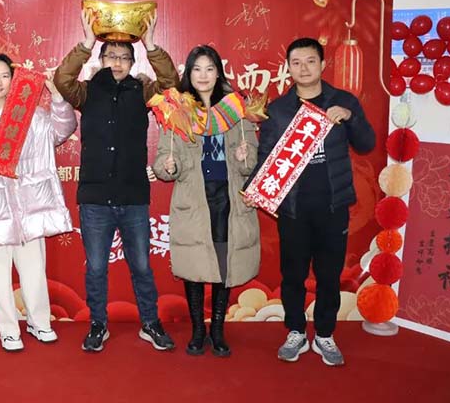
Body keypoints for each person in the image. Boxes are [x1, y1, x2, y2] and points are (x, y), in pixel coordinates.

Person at [53, 9, 179, 352]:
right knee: (95, 268)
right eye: (111, 57)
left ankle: (150, 323)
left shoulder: (143, 91)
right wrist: (86, 42)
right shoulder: (86, 91)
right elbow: (62, 79)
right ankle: (98, 324)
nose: (118, 63)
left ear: (133, 63)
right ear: (102, 59)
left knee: (142, 266)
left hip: (133, 196)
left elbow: (171, 85)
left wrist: (151, 45)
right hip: (95, 198)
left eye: (124, 58)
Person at [246, 37, 375, 366]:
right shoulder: (279, 110)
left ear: (323, 64)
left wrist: (351, 117)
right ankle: (296, 331)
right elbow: (267, 156)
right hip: (293, 210)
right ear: (288, 68)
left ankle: (326, 334)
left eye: (310, 61)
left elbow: (367, 144)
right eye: (297, 63)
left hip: (333, 207)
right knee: (292, 275)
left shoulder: (342, 100)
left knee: (330, 275)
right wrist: (254, 188)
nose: (304, 68)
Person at [0, 54, 77, 351]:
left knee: (34, 271)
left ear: (14, 82)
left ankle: (40, 323)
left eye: (5, 76)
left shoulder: (31, 116)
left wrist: (57, 98)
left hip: (29, 208)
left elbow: (62, 131)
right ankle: (9, 330)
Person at [153, 45, 260, 357]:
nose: (203, 75)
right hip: (194, 200)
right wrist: (168, 166)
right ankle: (198, 329)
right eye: (197, 69)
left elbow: (250, 163)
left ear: (218, 73)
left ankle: (218, 329)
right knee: (195, 264)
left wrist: (244, 156)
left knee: (225, 264)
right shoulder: (178, 110)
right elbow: (162, 161)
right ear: (189, 73)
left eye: (209, 68)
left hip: (227, 199)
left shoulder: (236, 109)